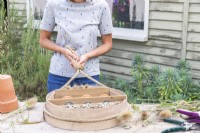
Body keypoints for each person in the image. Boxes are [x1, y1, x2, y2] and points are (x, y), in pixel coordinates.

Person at [39, 0, 113, 93]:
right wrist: (63, 50)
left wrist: (87, 55)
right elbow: (43, 40)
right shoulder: (53, 4)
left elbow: (108, 44)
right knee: (56, 108)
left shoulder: (101, 5)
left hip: (89, 77)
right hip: (58, 77)